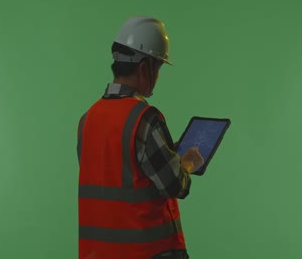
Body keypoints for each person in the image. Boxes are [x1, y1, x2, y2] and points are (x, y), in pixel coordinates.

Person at [76, 16, 205, 259]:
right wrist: (186, 163)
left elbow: (119, 175)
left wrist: (168, 153)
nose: (157, 76)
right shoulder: (144, 119)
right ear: (145, 68)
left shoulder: (87, 120)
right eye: (158, 67)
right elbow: (175, 184)